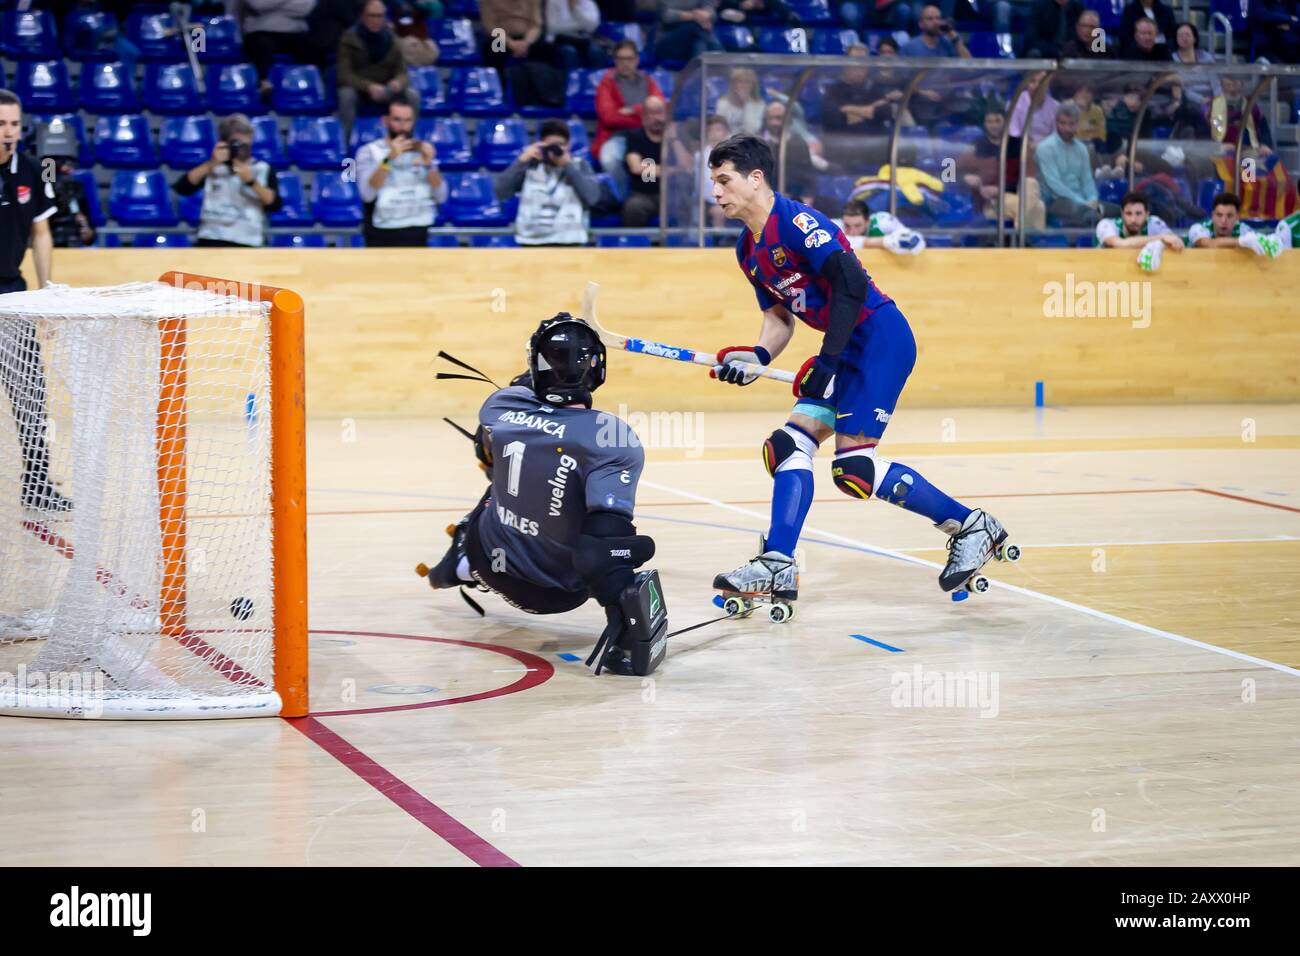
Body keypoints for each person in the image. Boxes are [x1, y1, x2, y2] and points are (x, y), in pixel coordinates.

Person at [705, 135, 1014, 604]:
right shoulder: (747, 251)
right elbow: (779, 318)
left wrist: (829, 363)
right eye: (714, 183)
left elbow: (849, 287)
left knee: (854, 469)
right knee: (788, 445)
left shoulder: (799, 221)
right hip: (846, 347)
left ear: (755, 178)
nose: (717, 192)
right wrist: (758, 358)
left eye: (724, 180)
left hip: (879, 338)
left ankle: (974, 527)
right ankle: (778, 564)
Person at [425, 316, 667, 676]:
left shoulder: (499, 407)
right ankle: (466, 560)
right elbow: (599, 554)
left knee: (502, 477)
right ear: (597, 370)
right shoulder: (610, 436)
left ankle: (464, 558)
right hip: (556, 594)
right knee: (614, 534)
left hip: (489, 558)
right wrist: (625, 609)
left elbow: (508, 416)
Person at [0, 90, 66, 513]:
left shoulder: (34, 170)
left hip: (12, 295)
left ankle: (38, 483)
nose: (9, 133)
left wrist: (49, 291)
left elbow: (42, 234)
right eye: (2, 124)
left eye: (15, 125)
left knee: (30, 395)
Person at [172, 114, 281, 247]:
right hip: (211, 239)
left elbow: (274, 204)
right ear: (224, 143)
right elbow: (183, 187)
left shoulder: (262, 168)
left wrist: (251, 181)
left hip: (247, 241)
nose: (241, 149)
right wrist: (211, 163)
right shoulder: (212, 167)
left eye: (245, 145)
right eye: (236, 144)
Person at [494, 118, 601, 245]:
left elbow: (592, 198)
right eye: (550, 146)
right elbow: (501, 191)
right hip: (531, 242)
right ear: (541, 145)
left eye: (560, 145)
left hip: (569, 242)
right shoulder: (530, 166)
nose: (555, 150)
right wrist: (521, 160)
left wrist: (568, 166)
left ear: (568, 146)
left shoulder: (579, 165)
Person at [356, 99, 446, 246]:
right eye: (397, 120)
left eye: (408, 120)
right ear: (385, 121)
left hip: (417, 232)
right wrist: (389, 159)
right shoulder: (368, 151)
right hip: (381, 234)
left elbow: (441, 195)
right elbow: (367, 193)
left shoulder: (423, 150)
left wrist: (429, 164)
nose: (403, 127)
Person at [337, 1, 422, 144]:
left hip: (387, 89)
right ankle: (346, 143)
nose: (377, 20)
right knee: (345, 95)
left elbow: (403, 73)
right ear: (363, 16)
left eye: (380, 16)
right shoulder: (349, 38)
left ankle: (408, 142)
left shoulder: (393, 39)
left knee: (412, 95)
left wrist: (398, 82)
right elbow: (344, 75)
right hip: (360, 90)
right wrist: (368, 86)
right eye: (372, 15)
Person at [593, 40, 665, 195]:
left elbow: (659, 108)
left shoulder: (648, 82)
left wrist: (633, 109)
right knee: (608, 159)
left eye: (629, 59)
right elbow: (609, 118)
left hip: (645, 135)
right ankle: (623, 198)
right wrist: (644, 114)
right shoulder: (606, 84)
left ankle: (651, 196)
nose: (625, 63)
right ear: (615, 61)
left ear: (637, 60)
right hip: (618, 135)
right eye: (621, 59)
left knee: (656, 161)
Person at [1034, 102, 1116, 227]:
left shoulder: (1082, 149)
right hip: (1055, 200)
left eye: (1071, 124)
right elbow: (1054, 184)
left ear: (1078, 124)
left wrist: (1092, 199)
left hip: (1083, 201)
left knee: (1119, 211)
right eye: (1063, 123)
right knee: (1087, 213)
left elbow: (1087, 180)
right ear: (1056, 123)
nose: (1067, 128)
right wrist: (1083, 202)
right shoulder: (1045, 148)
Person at [36, 117, 96, 249]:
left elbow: (90, 235)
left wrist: (86, 230)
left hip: (71, 243)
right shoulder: (40, 182)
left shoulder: (74, 187)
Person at [233, 0, 317, 93]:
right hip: (260, 30)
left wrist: (271, 7)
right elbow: (258, 5)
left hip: (295, 32)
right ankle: (264, 83)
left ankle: (308, 86)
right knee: (261, 45)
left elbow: (306, 8)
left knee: (312, 47)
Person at [1095, 191, 1184, 271]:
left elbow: (1172, 239)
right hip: (1106, 276)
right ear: (1122, 214)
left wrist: (1171, 240)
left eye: (1138, 214)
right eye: (1128, 213)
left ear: (1147, 214)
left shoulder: (1154, 223)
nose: (1133, 219)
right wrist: (1162, 238)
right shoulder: (1106, 225)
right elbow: (1121, 244)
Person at [1187, 191, 1282, 257]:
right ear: (1212, 215)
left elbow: (1258, 245)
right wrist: (1240, 241)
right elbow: (1208, 244)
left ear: (1237, 217)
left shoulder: (1243, 230)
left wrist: (1269, 243)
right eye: (1219, 215)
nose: (1223, 221)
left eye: (1229, 216)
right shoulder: (1198, 228)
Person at [621, 95, 668, 226]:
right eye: (652, 113)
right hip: (644, 195)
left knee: (690, 205)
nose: (657, 118)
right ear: (644, 117)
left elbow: (686, 167)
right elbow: (635, 168)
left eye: (660, 112)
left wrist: (674, 138)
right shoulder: (635, 136)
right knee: (633, 207)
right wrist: (669, 170)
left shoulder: (674, 137)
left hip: (672, 196)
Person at [835, 199, 926, 254]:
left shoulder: (883, 221)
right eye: (847, 225)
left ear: (868, 221)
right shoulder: (835, 226)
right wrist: (885, 242)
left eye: (857, 225)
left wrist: (911, 241)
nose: (852, 231)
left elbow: (907, 237)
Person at [655, 0, 723, 63]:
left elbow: (711, 12)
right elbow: (666, 16)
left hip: (695, 39)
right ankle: (723, 60)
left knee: (700, 43)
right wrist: (693, 16)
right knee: (694, 26)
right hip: (668, 42)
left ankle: (700, 72)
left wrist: (707, 14)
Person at [545, 0, 603, 72]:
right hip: (560, 39)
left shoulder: (589, 3)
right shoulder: (553, 2)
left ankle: (599, 81)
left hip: (583, 40)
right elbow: (552, 28)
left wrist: (574, 9)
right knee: (569, 51)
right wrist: (582, 25)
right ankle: (571, 82)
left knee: (596, 52)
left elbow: (593, 27)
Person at [900, 5, 971, 58]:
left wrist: (955, 39)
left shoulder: (949, 43)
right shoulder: (909, 47)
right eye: (930, 19)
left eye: (938, 18)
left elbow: (970, 67)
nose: (936, 22)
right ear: (921, 24)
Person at [714, 68, 765, 139]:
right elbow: (720, 129)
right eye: (740, 81)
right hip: (727, 142)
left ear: (753, 85)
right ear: (733, 84)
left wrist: (746, 104)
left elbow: (752, 129)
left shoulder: (759, 104)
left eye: (747, 82)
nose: (744, 85)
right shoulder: (723, 103)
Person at [1250, 0, 1300, 64]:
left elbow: (1297, 21)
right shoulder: (1260, 2)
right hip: (1269, 47)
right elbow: (1260, 15)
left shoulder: (1292, 3)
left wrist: (1291, 25)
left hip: (1293, 49)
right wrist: (1288, 19)